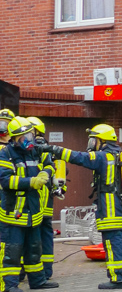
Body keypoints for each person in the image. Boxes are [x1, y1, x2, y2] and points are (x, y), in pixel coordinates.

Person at [51, 124, 122, 289]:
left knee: (113, 243)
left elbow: (80, 157)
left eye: (94, 139)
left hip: (110, 209)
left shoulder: (103, 156)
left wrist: (56, 150)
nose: (92, 143)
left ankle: (118, 278)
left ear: (102, 140)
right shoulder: (120, 155)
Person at [0, 118, 59, 292]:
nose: (29, 139)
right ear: (14, 138)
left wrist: (45, 172)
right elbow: (5, 180)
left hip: (34, 209)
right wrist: (31, 182)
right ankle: (9, 284)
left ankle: (37, 280)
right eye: (24, 136)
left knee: (34, 247)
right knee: (13, 248)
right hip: (14, 210)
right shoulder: (6, 154)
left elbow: (50, 165)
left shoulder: (36, 151)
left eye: (30, 135)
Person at [26, 117, 64, 281]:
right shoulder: (49, 148)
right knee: (46, 235)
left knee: (30, 235)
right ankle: (46, 271)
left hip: (35, 200)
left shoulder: (33, 148)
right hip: (47, 200)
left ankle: (28, 270)